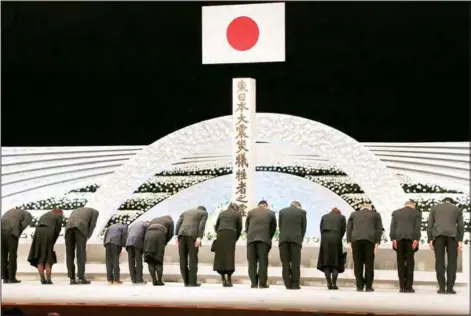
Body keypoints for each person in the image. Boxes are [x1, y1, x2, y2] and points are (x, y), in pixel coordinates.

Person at [427, 197, 464, 294]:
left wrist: (430, 238)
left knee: (439, 261)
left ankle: (442, 288)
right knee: (452, 262)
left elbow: (430, 224)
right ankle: (450, 289)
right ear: (452, 202)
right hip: (453, 237)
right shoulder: (457, 209)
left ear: (443, 201)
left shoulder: (434, 208)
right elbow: (460, 226)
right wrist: (460, 240)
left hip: (438, 236)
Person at [346, 204, 383, 292]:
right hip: (370, 240)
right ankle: (368, 287)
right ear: (370, 208)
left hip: (355, 240)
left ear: (361, 208)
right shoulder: (376, 214)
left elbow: (349, 229)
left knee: (357, 264)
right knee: (369, 264)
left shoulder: (353, 214)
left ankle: (359, 286)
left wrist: (349, 242)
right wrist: (377, 242)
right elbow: (379, 229)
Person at [390, 200, 421, 293]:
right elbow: (417, 227)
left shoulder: (396, 213)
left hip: (398, 239)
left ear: (405, 205)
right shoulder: (416, 213)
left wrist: (393, 238)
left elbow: (393, 227)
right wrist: (416, 239)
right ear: (413, 206)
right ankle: (409, 287)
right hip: (411, 239)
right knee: (410, 262)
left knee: (400, 262)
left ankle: (402, 286)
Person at [245, 200, 277, 289]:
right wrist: (268, 237)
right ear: (266, 206)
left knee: (252, 262)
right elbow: (273, 228)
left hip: (251, 240)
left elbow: (247, 227)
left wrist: (250, 236)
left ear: (258, 205)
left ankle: (253, 283)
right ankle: (262, 284)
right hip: (264, 240)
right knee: (263, 262)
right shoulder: (271, 213)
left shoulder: (251, 212)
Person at [27, 208, 63, 284]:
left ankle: (42, 279)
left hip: (38, 233)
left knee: (40, 255)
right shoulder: (58, 216)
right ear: (59, 213)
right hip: (49, 232)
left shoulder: (45, 215)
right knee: (48, 257)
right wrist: (53, 242)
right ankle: (49, 279)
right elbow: (58, 230)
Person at [175, 206, 208, 287]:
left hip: (181, 235)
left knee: (183, 259)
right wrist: (199, 237)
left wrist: (176, 236)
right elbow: (201, 225)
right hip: (192, 236)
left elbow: (178, 223)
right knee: (193, 259)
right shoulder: (204, 213)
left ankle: (186, 282)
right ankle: (192, 282)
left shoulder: (185, 211)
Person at [65, 207, 99, 285]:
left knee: (69, 254)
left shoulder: (76, 210)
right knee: (81, 254)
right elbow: (92, 224)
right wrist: (88, 236)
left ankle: (72, 278)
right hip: (80, 227)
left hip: (68, 228)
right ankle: (81, 277)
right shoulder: (95, 211)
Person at [278, 201, 307, 290]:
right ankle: (295, 284)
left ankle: (287, 284)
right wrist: (300, 239)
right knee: (295, 263)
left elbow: (280, 226)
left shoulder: (282, 211)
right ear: (298, 206)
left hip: (283, 240)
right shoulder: (302, 212)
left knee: (285, 263)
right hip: (296, 240)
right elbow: (303, 228)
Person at [213, 203, 243, 287]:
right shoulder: (237, 214)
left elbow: (216, 226)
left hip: (221, 233)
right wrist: (235, 238)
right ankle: (229, 279)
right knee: (229, 257)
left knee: (221, 257)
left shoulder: (222, 213)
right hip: (231, 234)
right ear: (236, 208)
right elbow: (239, 227)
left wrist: (219, 233)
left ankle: (223, 278)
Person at [317, 207, 346, 290]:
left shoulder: (324, 217)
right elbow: (343, 230)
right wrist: (338, 237)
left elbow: (321, 229)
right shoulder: (342, 217)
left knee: (326, 263)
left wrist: (324, 238)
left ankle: (328, 283)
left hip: (325, 239)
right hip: (336, 238)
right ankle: (334, 283)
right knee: (335, 263)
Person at [1, 208, 32, 283]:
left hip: (1, 231)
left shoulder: (9, 211)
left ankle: (4, 277)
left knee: (3, 255)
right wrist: (18, 232)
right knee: (12, 255)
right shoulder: (28, 214)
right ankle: (11, 278)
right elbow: (24, 224)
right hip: (12, 232)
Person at [144, 215, 174, 286]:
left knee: (150, 260)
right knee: (158, 260)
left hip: (148, 235)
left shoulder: (154, 218)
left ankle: (154, 280)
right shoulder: (170, 221)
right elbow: (171, 234)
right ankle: (159, 280)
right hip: (160, 235)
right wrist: (165, 242)